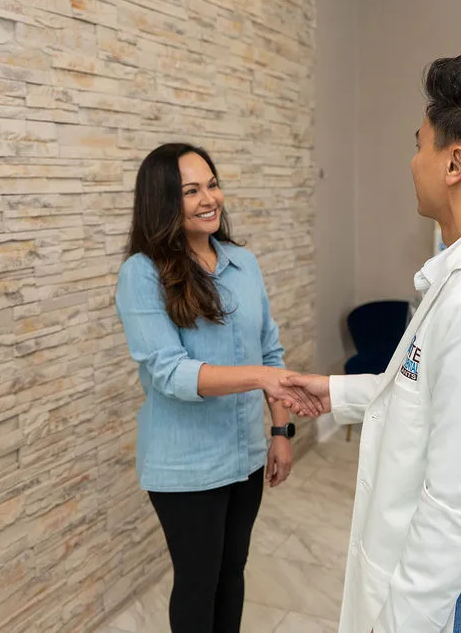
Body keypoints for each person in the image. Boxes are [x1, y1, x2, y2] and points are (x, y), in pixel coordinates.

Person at [277, 54, 461, 633]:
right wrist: (334, 392)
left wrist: (398, 624)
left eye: (420, 144)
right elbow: (424, 385)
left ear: (455, 162)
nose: (412, 162)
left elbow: (459, 506)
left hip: (459, 607)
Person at [115, 143, 314, 633]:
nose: (209, 198)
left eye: (212, 184)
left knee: (232, 572)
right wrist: (261, 377)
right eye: (191, 190)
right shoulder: (141, 274)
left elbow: (270, 352)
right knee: (198, 581)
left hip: (245, 455)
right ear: (163, 201)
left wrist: (281, 431)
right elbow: (170, 373)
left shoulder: (243, 263)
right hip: (185, 466)